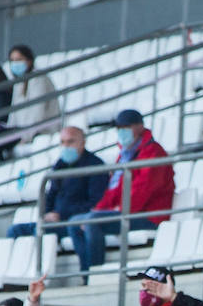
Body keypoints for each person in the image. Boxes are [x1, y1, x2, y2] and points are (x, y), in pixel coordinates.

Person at [64, 109, 175, 272]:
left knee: (92, 222)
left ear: (139, 127)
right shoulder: (126, 154)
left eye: (126, 127)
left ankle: (95, 273)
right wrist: (100, 209)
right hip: (129, 211)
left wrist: (119, 211)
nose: (121, 132)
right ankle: (86, 271)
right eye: (119, 128)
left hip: (149, 214)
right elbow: (113, 190)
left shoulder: (153, 153)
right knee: (75, 222)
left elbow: (143, 191)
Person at [6, 127, 106, 240]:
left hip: (75, 223)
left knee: (40, 231)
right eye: (62, 142)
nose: (66, 146)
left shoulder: (95, 166)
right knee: (14, 230)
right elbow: (51, 194)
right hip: (54, 221)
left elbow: (96, 202)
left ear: (83, 143)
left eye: (70, 141)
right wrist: (47, 214)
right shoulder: (60, 165)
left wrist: (63, 214)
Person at [4, 44, 60, 139]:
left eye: (19, 60)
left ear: (29, 61)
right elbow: (13, 113)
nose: (15, 64)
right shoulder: (19, 81)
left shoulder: (39, 79)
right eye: (12, 60)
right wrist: (8, 134)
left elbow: (38, 113)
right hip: (21, 132)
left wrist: (26, 137)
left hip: (40, 132)